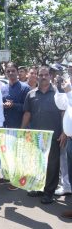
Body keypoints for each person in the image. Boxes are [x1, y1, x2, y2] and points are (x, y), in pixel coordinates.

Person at [22, 66, 65, 204]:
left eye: (46, 74)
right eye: (41, 75)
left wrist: (65, 132)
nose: (43, 77)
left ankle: (49, 192)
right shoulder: (31, 94)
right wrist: (22, 130)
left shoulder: (59, 93)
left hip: (54, 136)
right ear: (37, 76)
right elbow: (27, 113)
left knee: (52, 166)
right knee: (38, 164)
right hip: (36, 136)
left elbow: (64, 113)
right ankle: (39, 188)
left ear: (50, 76)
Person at [1, 62, 30, 189]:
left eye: (13, 70)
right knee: (9, 154)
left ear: (18, 72)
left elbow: (28, 108)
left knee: (20, 154)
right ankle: (10, 177)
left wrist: (13, 105)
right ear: (5, 73)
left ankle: (18, 181)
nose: (11, 73)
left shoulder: (25, 88)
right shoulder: (3, 88)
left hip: (20, 125)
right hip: (6, 126)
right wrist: (3, 105)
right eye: (8, 71)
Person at [55, 79, 72, 218]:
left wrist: (69, 93)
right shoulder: (69, 90)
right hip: (70, 138)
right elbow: (61, 105)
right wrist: (60, 91)